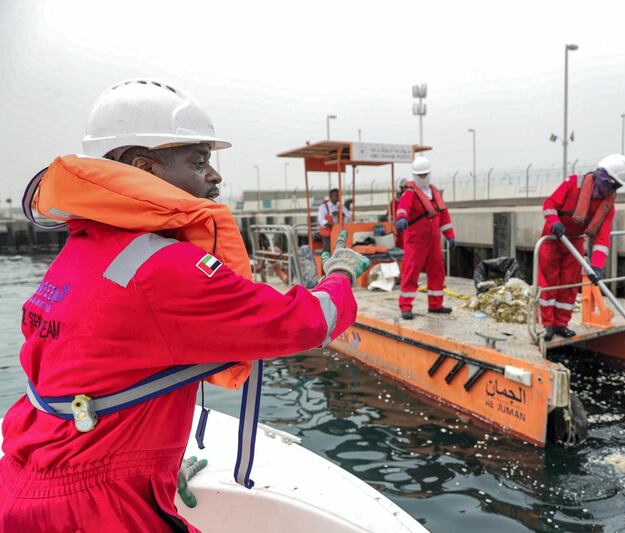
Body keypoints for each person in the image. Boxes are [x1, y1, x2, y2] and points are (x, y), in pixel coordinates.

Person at [0, 79, 370, 532]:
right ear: (142, 167)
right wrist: (341, 275)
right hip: (98, 508)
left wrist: (151, 469)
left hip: (29, 484)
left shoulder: (80, 252)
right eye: (198, 162)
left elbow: (89, 376)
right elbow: (302, 322)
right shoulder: (164, 267)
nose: (214, 176)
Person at [538, 154, 625, 341]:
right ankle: (547, 324)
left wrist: (596, 266)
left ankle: (561, 324)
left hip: (575, 242)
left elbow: (602, 239)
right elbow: (549, 204)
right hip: (552, 238)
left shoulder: (607, 207)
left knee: (570, 285)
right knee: (549, 283)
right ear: (602, 177)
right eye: (612, 185)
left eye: (616, 187)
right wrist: (554, 222)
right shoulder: (573, 184)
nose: (612, 190)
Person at [395, 156, 456, 320]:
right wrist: (401, 218)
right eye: (420, 175)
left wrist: (450, 235)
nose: (423, 178)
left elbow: (444, 216)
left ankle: (435, 304)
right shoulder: (410, 193)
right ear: (415, 175)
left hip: (433, 240)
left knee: (437, 271)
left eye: (425, 174)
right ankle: (406, 306)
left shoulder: (434, 193)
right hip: (416, 240)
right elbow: (402, 208)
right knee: (411, 271)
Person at [318, 188, 351, 252]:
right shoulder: (324, 207)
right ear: (331, 197)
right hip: (328, 233)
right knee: (327, 250)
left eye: (339, 195)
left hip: (339, 232)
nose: (338, 197)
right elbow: (321, 220)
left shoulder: (341, 207)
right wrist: (331, 223)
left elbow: (349, 217)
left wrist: (341, 214)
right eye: (337, 196)